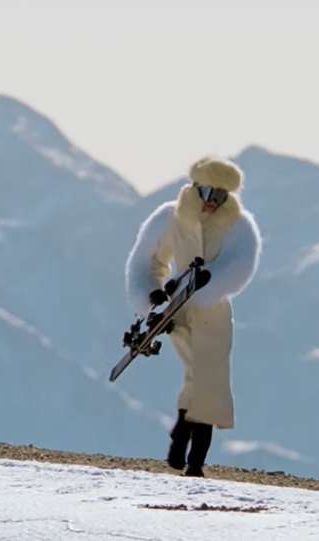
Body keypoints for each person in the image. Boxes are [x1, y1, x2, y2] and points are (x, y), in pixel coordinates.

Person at [125, 156, 261, 477]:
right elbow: (147, 261)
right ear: (195, 188)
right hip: (178, 312)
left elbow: (241, 264)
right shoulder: (169, 218)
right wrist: (153, 295)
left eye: (220, 195)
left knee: (207, 381)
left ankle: (188, 449)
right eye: (208, 193)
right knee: (202, 379)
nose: (213, 202)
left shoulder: (238, 225)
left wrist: (212, 281)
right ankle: (189, 454)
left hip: (214, 314)